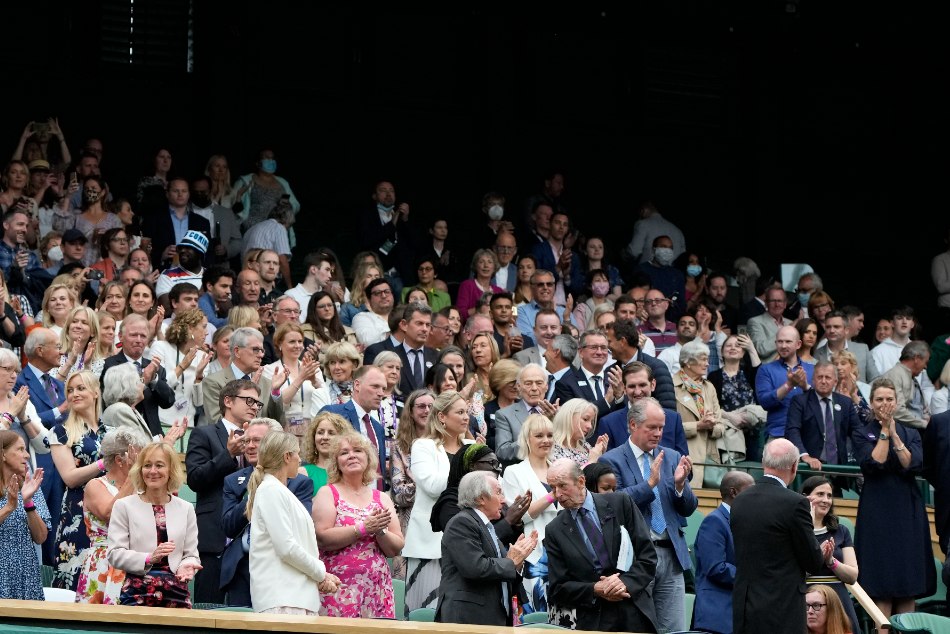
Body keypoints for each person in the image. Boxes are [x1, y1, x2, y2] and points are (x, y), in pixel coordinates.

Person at [599, 397, 697, 633]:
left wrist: (680, 486)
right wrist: (649, 484)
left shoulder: (672, 457)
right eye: (651, 427)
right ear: (633, 425)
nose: (658, 433)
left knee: (674, 629)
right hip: (635, 558)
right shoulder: (611, 460)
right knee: (637, 627)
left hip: (670, 553)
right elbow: (613, 506)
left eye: (661, 427)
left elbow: (689, 508)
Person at [852, 377, 934, 618]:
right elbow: (874, 463)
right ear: (871, 402)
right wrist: (885, 431)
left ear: (897, 402)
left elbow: (912, 464)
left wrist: (895, 434)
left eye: (889, 399)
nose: (885, 403)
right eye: (879, 399)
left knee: (907, 584)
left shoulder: (910, 432)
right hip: (877, 510)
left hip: (907, 510)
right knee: (882, 585)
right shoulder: (861, 432)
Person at [544, 458, 658, 632]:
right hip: (592, 618)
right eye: (553, 488)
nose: (557, 494)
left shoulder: (620, 503)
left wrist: (624, 583)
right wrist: (595, 589)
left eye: (562, 486)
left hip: (633, 607)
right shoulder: (555, 530)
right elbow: (558, 588)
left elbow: (648, 556)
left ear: (581, 481)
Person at [730, 438, 825, 634]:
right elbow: (813, 562)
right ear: (794, 467)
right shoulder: (796, 504)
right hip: (782, 611)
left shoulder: (739, 501)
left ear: (764, 463)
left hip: (745, 609)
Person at [220, 418, 314, 608]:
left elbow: (299, 530)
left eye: (258, 441)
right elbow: (228, 526)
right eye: (247, 441)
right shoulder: (233, 480)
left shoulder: (298, 483)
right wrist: (256, 491)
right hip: (241, 567)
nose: (251, 446)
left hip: (280, 567)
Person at [185, 378, 263, 605]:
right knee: (208, 607)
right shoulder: (205, 434)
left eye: (258, 403)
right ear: (228, 401)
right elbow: (195, 479)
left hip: (252, 540)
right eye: (248, 400)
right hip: (216, 537)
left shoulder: (262, 437)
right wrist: (227, 455)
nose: (254, 407)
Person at [314, 430, 404, 618]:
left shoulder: (382, 498)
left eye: (358, 450)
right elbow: (321, 537)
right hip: (339, 588)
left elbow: (395, 549)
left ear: (368, 458)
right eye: (344, 452)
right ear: (336, 462)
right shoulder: (328, 493)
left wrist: (380, 532)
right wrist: (363, 528)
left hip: (377, 589)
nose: (352, 455)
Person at [435, 470, 537, 626]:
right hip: (467, 619)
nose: (503, 501)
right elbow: (475, 567)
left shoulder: (486, 526)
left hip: (491, 618)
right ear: (481, 498)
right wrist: (510, 561)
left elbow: (502, 567)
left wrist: (517, 560)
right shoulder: (462, 523)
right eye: (499, 493)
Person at [107, 441, 201, 608]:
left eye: (159, 465)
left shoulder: (186, 508)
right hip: (137, 590)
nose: (152, 471)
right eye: (147, 465)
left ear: (171, 470)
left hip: (177, 590)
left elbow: (190, 554)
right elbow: (115, 554)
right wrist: (149, 557)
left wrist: (186, 566)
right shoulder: (124, 506)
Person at [402, 390, 470, 614]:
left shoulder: (471, 445)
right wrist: (465, 471)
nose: (466, 417)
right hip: (429, 545)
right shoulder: (423, 446)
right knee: (425, 614)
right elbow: (431, 486)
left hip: (468, 542)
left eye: (467, 412)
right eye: (459, 412)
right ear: (441, 416)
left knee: (459, 615)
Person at [75, 427, 150, 604]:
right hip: (104, 562)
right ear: (120, 460)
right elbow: (110, 513)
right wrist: (133, 476)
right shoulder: (95, 485)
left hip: (135, 561)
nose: (143, 463)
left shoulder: (142, 488)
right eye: (139, 457)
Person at [49, 370, 107, 591]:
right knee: (73, 576)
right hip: (77, 512)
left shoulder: (110, 432)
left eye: (81, 388)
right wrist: (103, 464)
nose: (74, 394)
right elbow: (70, 478)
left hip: (109, 513)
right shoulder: (60, 432)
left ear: (95, 392)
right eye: (70, 390)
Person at [500, 413, 561, 610]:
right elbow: (519, 516)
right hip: (534, 555)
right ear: (527, 439)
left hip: (564, 553)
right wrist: (553, 495)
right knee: (536, 613)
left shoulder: (560, 469)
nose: (546, 440)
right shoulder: (514, 472)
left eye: (550, 435)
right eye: (539, 435)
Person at [693, 470, 755, 634]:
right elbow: (716, 567)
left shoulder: (744, 522)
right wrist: (753, 576)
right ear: (734, 492)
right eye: (751, 490)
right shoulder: (714, 521)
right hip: (717, 616)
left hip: (739, 615)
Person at [801, 476, 861, 634]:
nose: (826, 500)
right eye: (820, 494)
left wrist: (831, 561)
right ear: (805, 497)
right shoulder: (796, 529)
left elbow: (852, 576)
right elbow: (790, 573)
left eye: (829, 495)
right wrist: (817, 558)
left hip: (838, 598)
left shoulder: (841, 531)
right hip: (806, 600)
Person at [99, 314, 176, 438]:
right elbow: (110, 404)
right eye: (133, 335)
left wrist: (154, 379)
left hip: (153, 436)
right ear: (120, 337)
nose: (139, 340)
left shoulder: (156, 367)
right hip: (122, 435)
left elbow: (168, 401)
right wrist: (144, 380)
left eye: (143, 336)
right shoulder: (109, 366)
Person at [785, 362, 862, 473]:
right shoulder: (800, 401)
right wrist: (805, 456)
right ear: (813, 380)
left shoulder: (845, 403)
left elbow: (857, 431)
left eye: (828, 378)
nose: (824, 381)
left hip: (839, 469)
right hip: (811, 467)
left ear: (835, 382)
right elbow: (792, 430)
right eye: (820, 377)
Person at [0, 430, 49, 601]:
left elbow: (41, 537)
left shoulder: (30, 486)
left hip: (25, 572)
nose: (27, 455)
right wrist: (8, 508)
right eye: (20, 449)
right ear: (3, 454)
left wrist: (28, 503)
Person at [200, 326, 285, 424]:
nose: (261, 355)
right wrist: (248, 394)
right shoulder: (214, 382)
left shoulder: (267, 383)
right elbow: (217, 422)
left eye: (262, 350)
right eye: (255, 349)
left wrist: (275, 393)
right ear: (237, 351)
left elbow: (278, 423)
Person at [262, 322, 319, 439]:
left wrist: (314, 381)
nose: (297, 346)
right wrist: (301, 378)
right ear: (279, 345)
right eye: (292, 342)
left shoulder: (312, 367)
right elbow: (275, 405)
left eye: (300, 341)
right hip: (283, 431)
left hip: (312, 430)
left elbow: (324, 400)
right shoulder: (270, 370)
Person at [550, 397, 607, 467]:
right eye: (585, 419)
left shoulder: (585, 446)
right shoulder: (551, 447)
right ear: (569, 416)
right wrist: (592, 461)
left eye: (591, 422)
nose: (590, 426)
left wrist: (600, 454)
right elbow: (568, 477)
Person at [312, 341, 361, 408]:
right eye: (332, 362)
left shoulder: (363, 393)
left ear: (354, 364)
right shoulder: (321, 394)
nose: (336, 367)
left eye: (342, 361)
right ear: (328, 366)